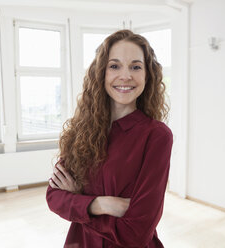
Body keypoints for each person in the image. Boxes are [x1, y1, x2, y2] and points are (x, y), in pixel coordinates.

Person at [46, 29, 173, 248]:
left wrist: (79, 201)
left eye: (136, 66)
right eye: (115, 66)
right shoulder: (82, 129)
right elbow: (54, 196)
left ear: (147, 75)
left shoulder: (156, 136)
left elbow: (137, 233)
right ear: (101, 73)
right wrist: (103, 204)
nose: (126, 75)